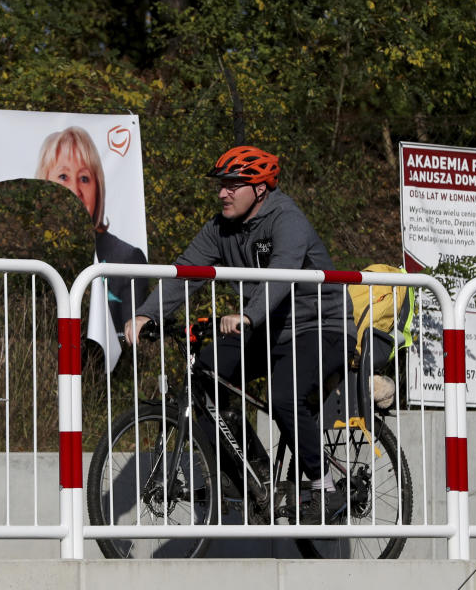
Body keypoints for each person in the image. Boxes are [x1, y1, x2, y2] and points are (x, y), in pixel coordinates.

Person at [124, 145, 354, 524]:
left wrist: (249, 315)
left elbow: (283, 270)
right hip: (267, 328)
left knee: (285, 396)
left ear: (260, 188)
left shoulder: (287, 219)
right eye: (221, 185)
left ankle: (324, 487)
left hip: (320, 325)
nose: (222, 193)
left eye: (233, 185)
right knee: (209, 370)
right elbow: (186, 272)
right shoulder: (220, 229)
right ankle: (255, 469)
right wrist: (147, 313)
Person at [36, 126, 148, 332]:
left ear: (98, 188)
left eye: (84, 178)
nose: (75, 191)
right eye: (63, 177)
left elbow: (136, 350)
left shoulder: (127, 258)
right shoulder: (29, 255)